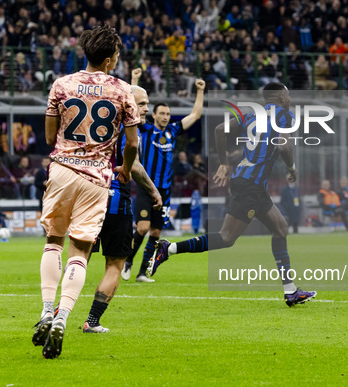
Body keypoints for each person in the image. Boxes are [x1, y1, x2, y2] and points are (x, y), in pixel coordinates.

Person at [149, 83, 316, 307]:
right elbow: (285, 147)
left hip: (248, 182)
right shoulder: (284, 116)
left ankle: (290, 291)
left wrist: (225, 164)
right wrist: (292, 169)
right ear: (282, 96)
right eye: (288, 93)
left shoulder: (251, 115)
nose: (289, 97)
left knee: (280, 227)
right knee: (227, 238)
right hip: (250, 185)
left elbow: (219, 130)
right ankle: (168, 248)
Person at [32, 25, 139, 360]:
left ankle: (47, 311)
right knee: (80, 251)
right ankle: (64, 317)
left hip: (62, 170)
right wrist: (124, 165)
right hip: (97, 179)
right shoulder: (123, 90)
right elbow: (133, 143)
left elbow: (51, 135)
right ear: (109, 60)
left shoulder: (61, 85)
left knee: (53, 242)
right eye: (117, 56)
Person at [83, 81, 162, 333]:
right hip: (116, 200)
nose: (146, 108)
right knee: (115, 264)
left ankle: (55, 314)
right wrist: (153, 190)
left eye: (147, 104)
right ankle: (92, 321)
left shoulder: (98, 121)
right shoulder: (128, 129)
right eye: (142, 104)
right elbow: (135, 165)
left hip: (88, 196)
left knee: (78, 259)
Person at [122, 68, 205, 283]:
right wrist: (135, 81)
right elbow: (131, 107)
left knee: (156, 233)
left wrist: (200, 91)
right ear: (154, 115)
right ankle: (128, 260)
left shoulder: (173, 131)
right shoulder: (146, 129)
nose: (166, 117)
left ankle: (142, 272)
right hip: (146, 187)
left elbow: (195, 115)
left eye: (168, 114)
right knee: (142, 227)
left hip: (165, 191)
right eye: (162, 114)